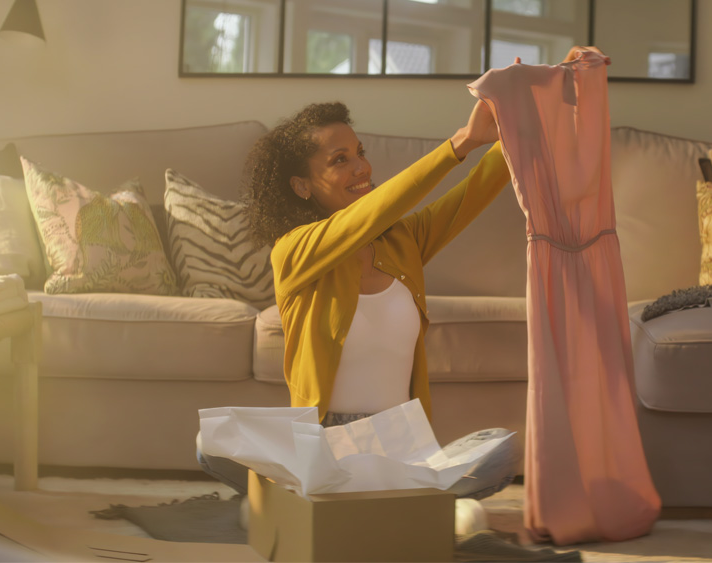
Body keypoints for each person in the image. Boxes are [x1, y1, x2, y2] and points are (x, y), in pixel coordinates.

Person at [198, 47, 603, 502]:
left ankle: (323, 502)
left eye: (360, 152)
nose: (361, 167)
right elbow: (377, 209)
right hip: (326, 443)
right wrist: (460, 144)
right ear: (301, 186)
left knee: (501, 451)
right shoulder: (295, 253)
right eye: (339, 160)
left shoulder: (401, 241)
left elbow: (475, 191)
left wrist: (533, 113)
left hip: (401, 440)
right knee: (215, 442)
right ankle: (348, 499)